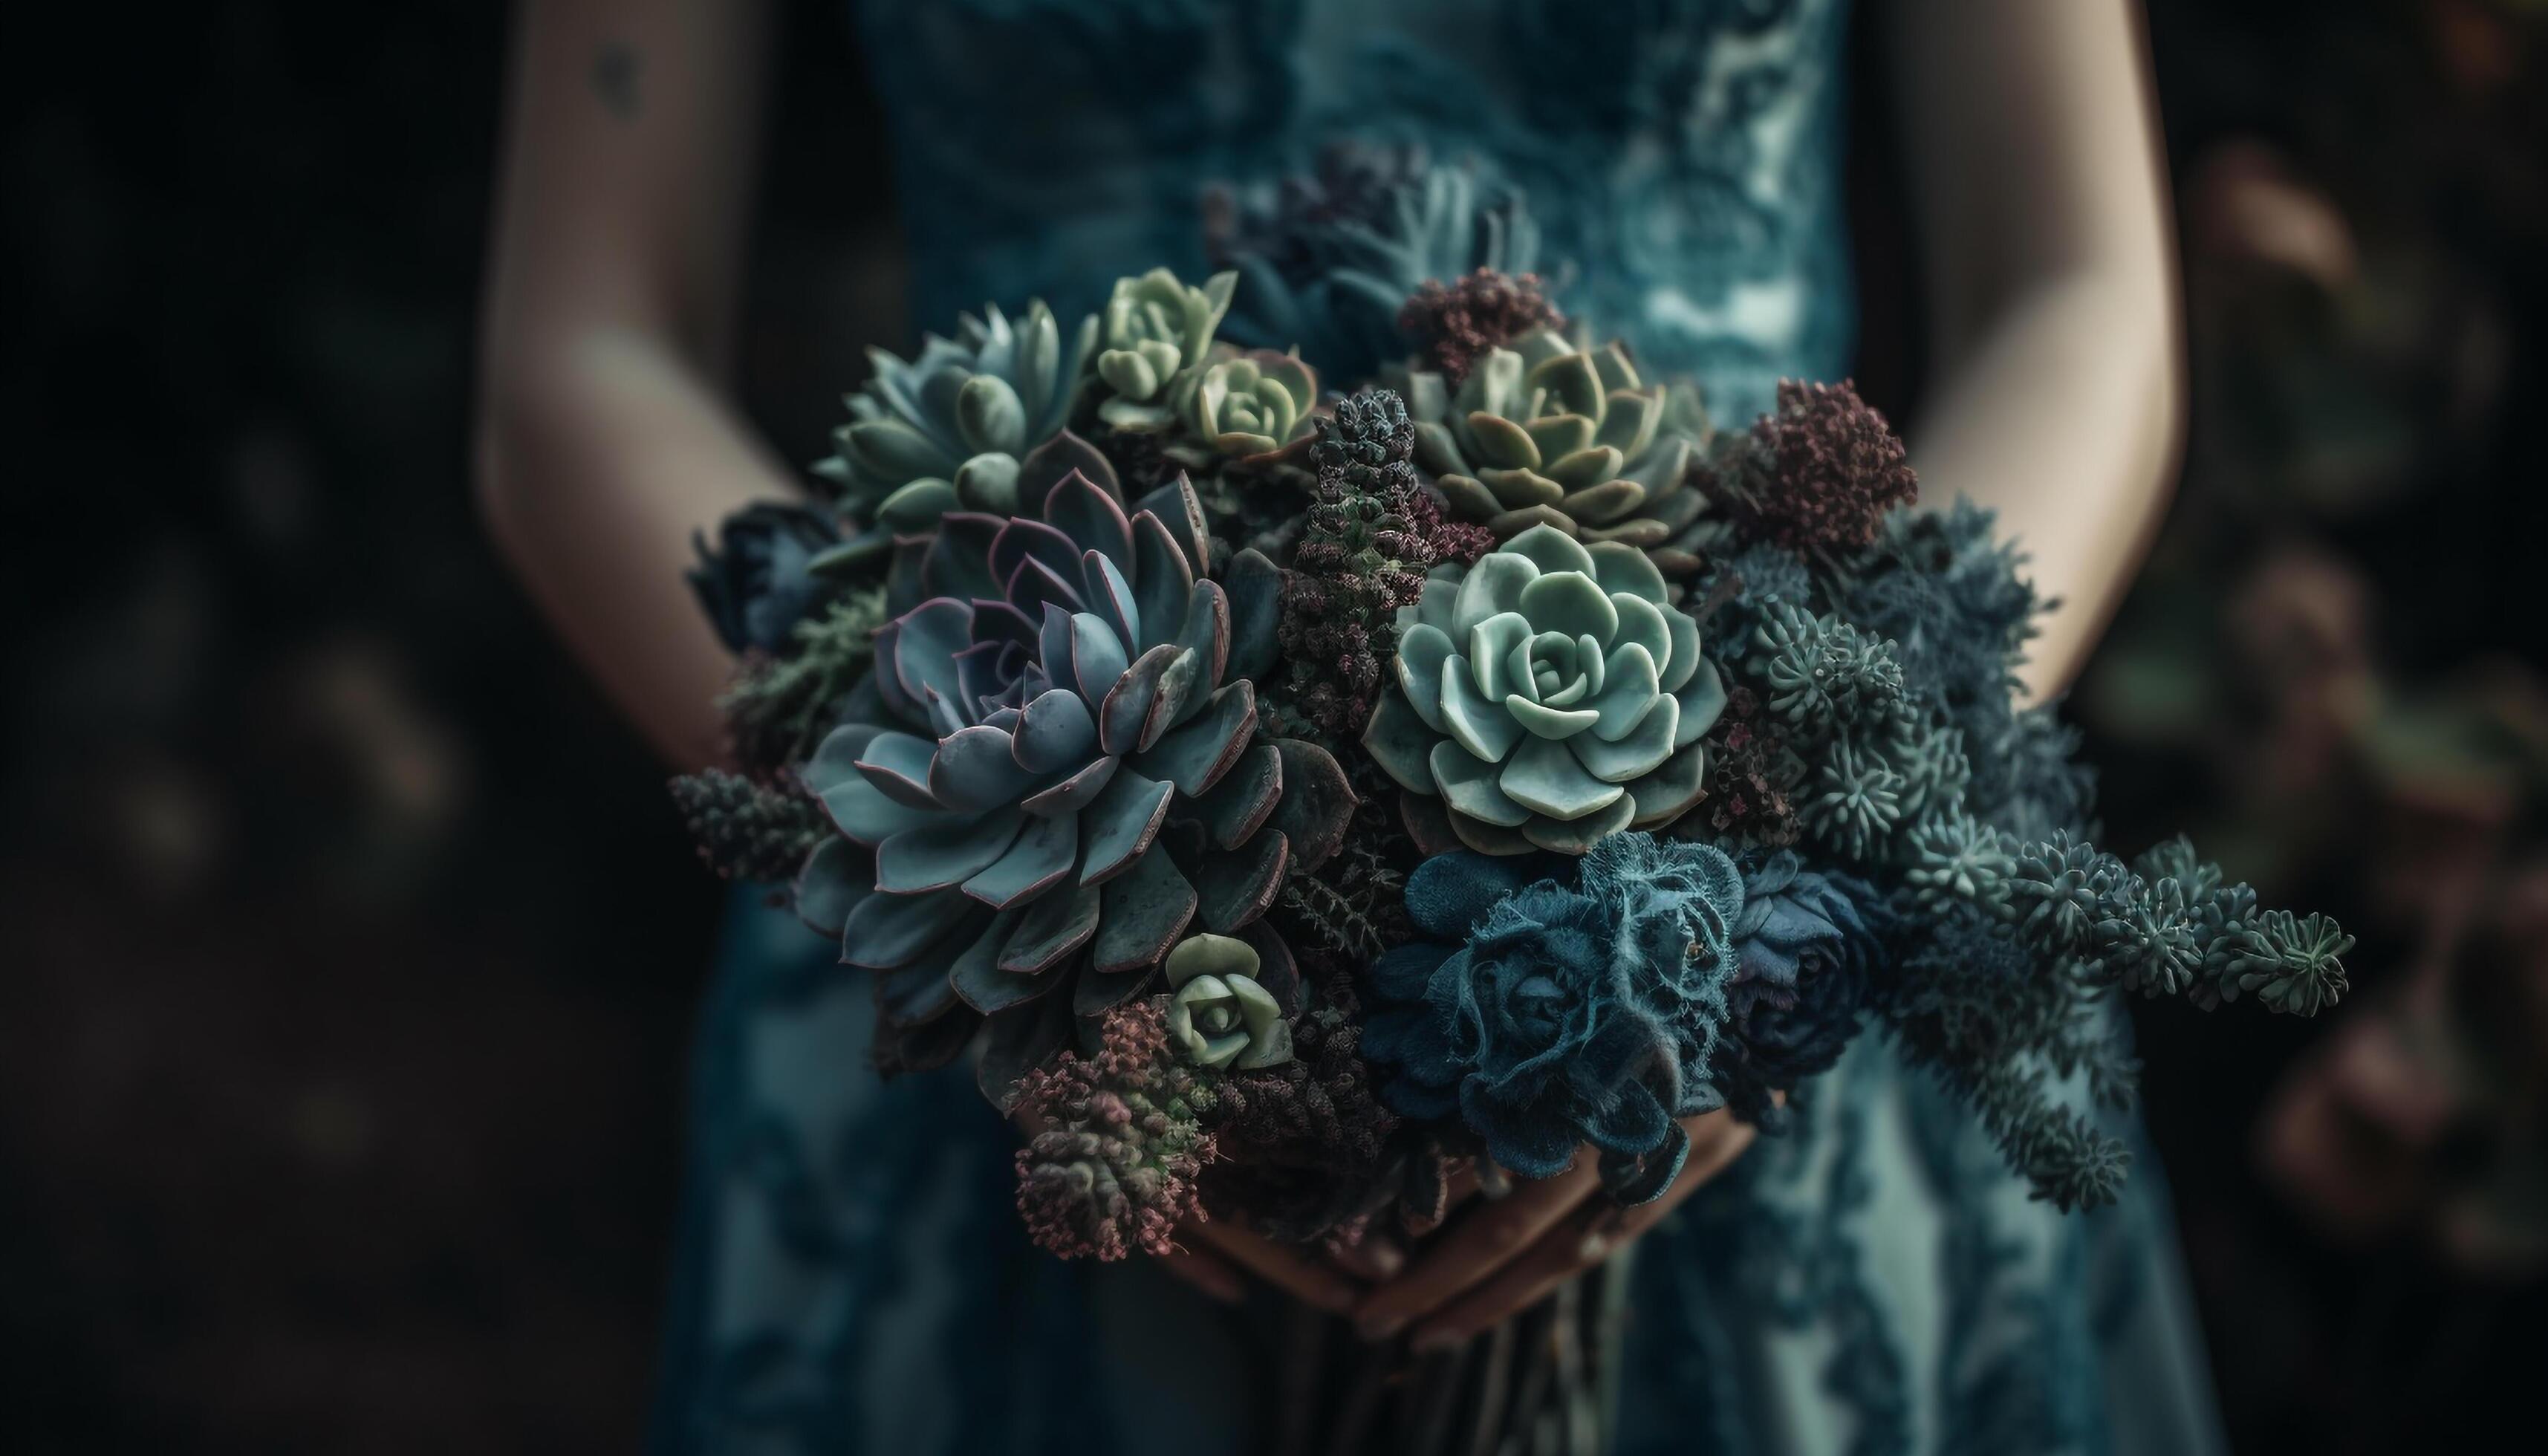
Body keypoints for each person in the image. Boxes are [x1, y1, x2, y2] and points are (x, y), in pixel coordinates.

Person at [475, 1, 2203, 1451]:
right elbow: (586, 346)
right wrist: (970, 881)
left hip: (1813, 872)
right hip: (988, 918)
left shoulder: (1798, 881)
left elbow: (2072, 284)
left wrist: (1795, 905)